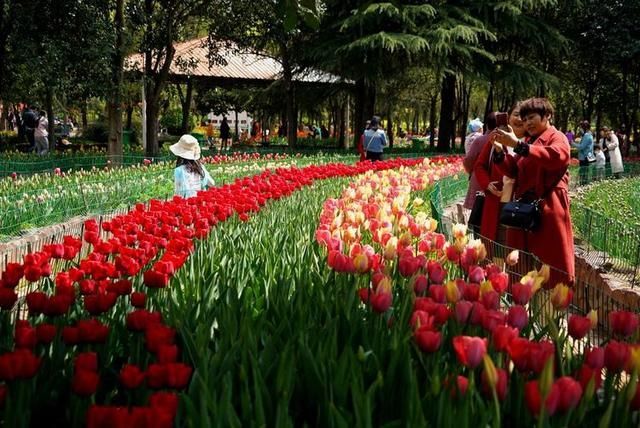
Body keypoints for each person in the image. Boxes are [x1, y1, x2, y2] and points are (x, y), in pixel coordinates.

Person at [490, 97, 574, 287]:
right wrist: (499, 153)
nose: (527, 123)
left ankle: (549, 312)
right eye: (525, 118)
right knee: (522, 268)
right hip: (524, 211)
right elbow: (513, 170)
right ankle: (523, 308)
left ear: (547, 116)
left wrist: (519, 146)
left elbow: (556, 156)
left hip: (548, 208)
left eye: (532, 117)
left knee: (551, 267)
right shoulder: (530, 140)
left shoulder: (556, 137)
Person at [464, 113, 496, 211]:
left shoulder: (479, 140)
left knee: (478, 211)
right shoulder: (505, 140)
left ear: (486, 125)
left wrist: (471, 171)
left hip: (478, 179)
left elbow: (469, 160)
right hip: (498, 183)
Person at [572, 121, 594, 185]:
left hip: (585, 157)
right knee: (584, 173)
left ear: (585, 128)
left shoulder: (587, 136)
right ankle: (583, 184)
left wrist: (573, 143)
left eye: (580, 128)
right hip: (586, 157)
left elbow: (582, 147)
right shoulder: (587, 135)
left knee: (584, 173)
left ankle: (583, 185)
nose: (580, 130)